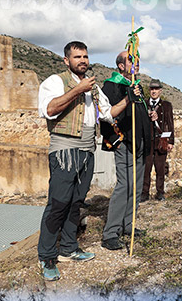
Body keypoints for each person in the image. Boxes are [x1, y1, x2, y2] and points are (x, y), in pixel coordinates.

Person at [37, 40, 122, 281]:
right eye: (77, 57)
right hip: (64, 149)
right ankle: (47, 256)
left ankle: (68, 248)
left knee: (76, 202)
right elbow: (50, 109)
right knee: (58, 202)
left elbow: (107, 114)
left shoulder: (93, 88)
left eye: (85, 56)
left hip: (87, 149)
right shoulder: (55, 81)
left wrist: (130, 99)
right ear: (67, 60)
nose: (82, 60)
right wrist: (78, 89)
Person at [100, 49, 151, 250]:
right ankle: (110, 233)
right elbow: (105, 115)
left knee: (136, 187)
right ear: (121, 65)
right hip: (124, 143)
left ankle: (128, 226)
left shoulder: (136, 86)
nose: (135, 64)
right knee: (124, 186)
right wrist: (115, 140)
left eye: (137, 60)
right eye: (131, 60)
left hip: (140, 145)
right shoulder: (111, 86)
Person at [142, 78, 174, 201]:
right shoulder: (144, 104)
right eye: (152, 89)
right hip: (147, 141)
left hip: (161, 141)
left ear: (160, 91)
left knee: (160, 169)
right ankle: (145, 193)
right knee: (146, 169)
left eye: (156, 89)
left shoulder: (166, 105)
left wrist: (170, 141)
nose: (154, 91)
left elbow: (170, 123)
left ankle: (160, 192)